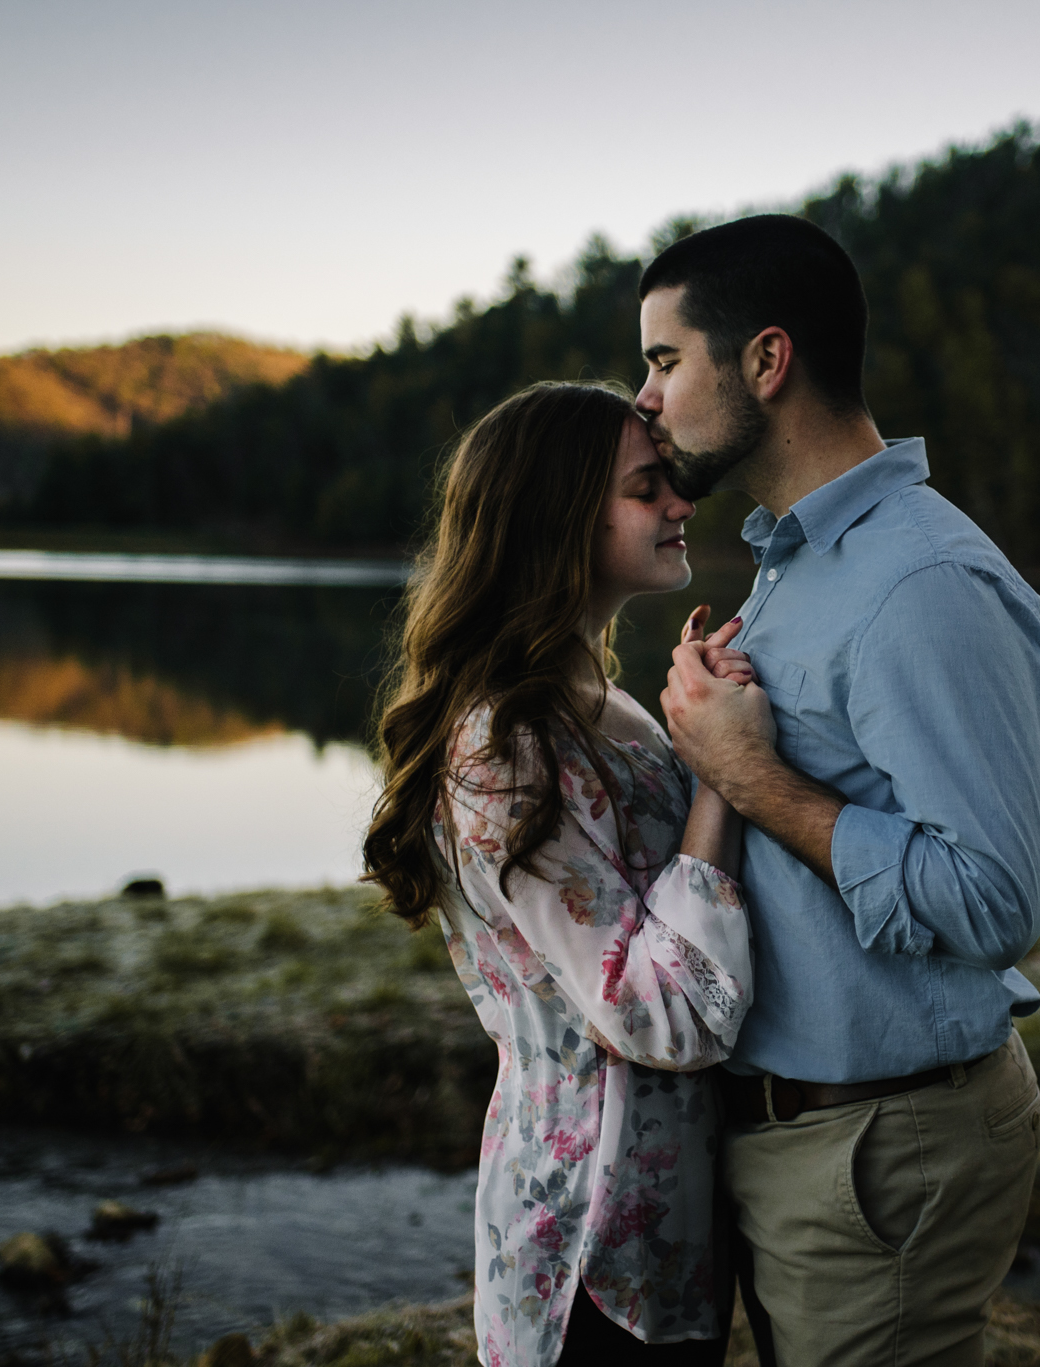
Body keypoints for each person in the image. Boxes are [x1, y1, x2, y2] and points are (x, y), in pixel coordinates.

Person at [646, 216, 1040, 1367]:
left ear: (765, 362)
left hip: (881, 1142)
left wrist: (747, 775)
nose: (646, 399)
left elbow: (991, 901)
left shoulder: (924, 583)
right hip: (808, 1140)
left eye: (665, 360)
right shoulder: (802, 561)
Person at [361, 381, 770, 1367]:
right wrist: (724, 774)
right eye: (646, 487)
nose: (680, 503)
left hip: (667, 1234)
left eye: (668, 481)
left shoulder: (605, 706)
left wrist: (697, 727)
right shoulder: (501, 744)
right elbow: (656, 1012)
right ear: (556, 519)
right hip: (588, 1249)